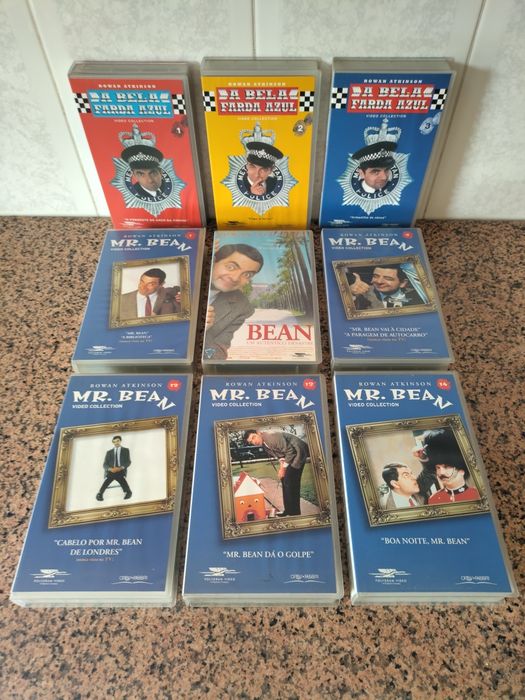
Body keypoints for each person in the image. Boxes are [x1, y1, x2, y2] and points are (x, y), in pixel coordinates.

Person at [203, 244, 264, 359]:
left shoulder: (242, 307)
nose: (235, 278)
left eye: (247, 274)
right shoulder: (181, 282)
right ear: (213, 261)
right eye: (231, 267)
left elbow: (217, 355)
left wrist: (201, 333)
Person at [244, 429, 309, 516]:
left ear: (258, 432)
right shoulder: (264, 445)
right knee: (284, 480)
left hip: (298, 451)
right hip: (291, 454)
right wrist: (281, 468)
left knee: (291, 481)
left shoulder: (271, 437)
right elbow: (281, 455)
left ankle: (294, 513)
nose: (254, 442)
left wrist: (283, 469)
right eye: (251, 441)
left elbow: (290, 451)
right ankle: (288, 510)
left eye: (253, 437)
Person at [420, 429, 481, 505]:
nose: (441, 472)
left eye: (446, 467)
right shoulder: (433, 500)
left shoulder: (478, 495)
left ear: (462, 471)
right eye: (438, 467)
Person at [348, 264, 425, 310]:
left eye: (388, 278)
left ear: (402, 283)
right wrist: (350, 293)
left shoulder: (419, 295)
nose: (379, 281)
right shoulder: (362, 293)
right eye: (376, 276)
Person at [120, 130, 169, 201]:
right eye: (141, 174)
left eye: (153, 173)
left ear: (160, 172)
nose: (150, 180)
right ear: (134, 176)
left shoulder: (167, 187)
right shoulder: (133, 195)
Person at [96, 436, 132, 501]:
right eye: (114, 442)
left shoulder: (126, 450)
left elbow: (128, 462)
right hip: (111, 471)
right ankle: (128, 491)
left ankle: (100, 493)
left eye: (117, 441)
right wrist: (110, 469)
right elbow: (104, 464)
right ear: (113, 443)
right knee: (115, 477)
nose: (116, 443)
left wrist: (121, 467)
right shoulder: (109, 452)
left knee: (116, 477)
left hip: (121, 470)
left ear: (120, 441)